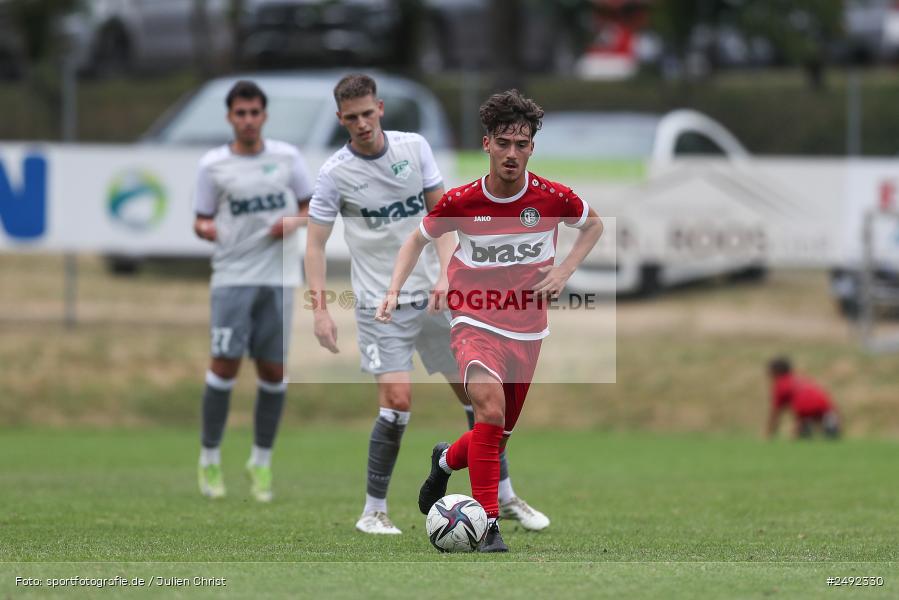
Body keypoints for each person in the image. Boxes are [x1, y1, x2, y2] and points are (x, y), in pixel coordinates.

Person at [305, 74, 550, 535]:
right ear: (341, 119)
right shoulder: (335, 173)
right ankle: (374, 510)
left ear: (380, 108)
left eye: (368, 113)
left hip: (438, 302)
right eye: (352, 117)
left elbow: (443, 217)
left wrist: (443, 275)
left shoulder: (414, 148)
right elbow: (315, 245)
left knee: (484, 401)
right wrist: (320, 309)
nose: (362, 123)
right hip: (381, 305)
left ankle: (504, 496)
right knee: (397, 403)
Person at [376, 89, 604, 552]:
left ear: (532, 148)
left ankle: (445, 460)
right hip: (473, 318)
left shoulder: (551, 197)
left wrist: (563, 271)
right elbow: (415, 241)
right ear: (487, 145)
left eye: (521, 144)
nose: (511, 154)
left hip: (528, 328)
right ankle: (489, 526)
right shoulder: (462, 201)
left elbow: (594, 224)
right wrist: (394, 289)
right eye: (503, 143)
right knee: (489, 411)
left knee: (495, 437)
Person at [194, 80, 313, 502]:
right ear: (230, 117)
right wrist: (207, 229)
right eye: (240, 113)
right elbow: (201, 218)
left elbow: (310, 206)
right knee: (224, 366)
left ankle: (260, 463)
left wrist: (292, 222)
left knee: (274, 373)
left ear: (264, 116)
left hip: (279, 277)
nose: (248, 120)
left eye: (254, 112)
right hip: (232, 276)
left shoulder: (287, 157)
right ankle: (209, 459)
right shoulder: (213, 165)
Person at [766, 356, 840, 439]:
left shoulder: (781, 384)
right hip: (827, 410)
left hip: (805, 415)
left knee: (803, 438)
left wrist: (769, 433)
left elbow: (776, 412)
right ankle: (830, 427)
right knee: (831, 436)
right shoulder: (801, 379)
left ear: (776, 371)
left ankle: (807, 430)